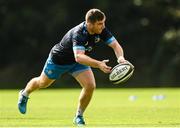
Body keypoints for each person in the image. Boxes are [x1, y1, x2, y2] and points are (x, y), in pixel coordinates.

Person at [18, 8, 127, 126]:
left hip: (77, 62)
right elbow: (79, 57)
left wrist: (120, 58)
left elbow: (115, 45)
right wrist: (99, 64)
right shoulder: (79, 33)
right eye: (100, 23)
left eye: (103, 22)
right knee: (43, 83)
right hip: (59, 61)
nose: (103, 26)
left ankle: (78, 116)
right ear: (89, 23)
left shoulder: (101, 30)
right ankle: (24, 94)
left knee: (90, 86)